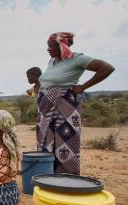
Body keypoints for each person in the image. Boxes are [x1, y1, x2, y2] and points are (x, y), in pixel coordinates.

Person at [37, 32, 115, 175]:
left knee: (64, 140)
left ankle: (67, 176)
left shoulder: (77, 59)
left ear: (61, 46)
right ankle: (48, 174)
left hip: (64, 108)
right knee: (47, 140)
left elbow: (107, 68)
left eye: (50, 46)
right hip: (46, 111)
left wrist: (83, 86)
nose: (47, 49)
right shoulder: (52, 61)